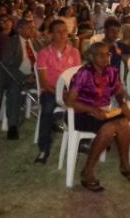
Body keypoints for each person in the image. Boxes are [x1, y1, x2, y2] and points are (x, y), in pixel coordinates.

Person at [66, 42, 130, 190]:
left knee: (123, 124)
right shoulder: (84, 73)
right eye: (100, 55)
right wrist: (92, 110)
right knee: (109, 129)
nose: (105, 58)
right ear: (91, 57)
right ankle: (87, 171)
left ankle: (124, 164)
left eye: (107, 54)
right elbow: (70, 101)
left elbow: (118, 91)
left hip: (103, 112)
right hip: (81, 113)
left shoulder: (111, 71)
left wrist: (122, 103)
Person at [34, 19, 81, 164]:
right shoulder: (44, 53)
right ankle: (44, 148)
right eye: (58, 32)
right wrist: (60, 93)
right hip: (51, 91)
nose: (62, 34)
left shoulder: (74, 52)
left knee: (87, 103)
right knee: (47, 108)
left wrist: (72, 92)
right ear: (51, 35)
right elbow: (44, 83)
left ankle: (83, 140)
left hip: (69, 91)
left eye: (64, 31)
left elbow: (78, 77)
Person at [0, 19, 42, 140]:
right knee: (14, 90)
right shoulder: (11, 42)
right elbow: (6, 65)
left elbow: (44, 61)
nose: (32, 30)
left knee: (52, 87)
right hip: (16, 77)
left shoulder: (36, 42)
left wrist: (38, 75)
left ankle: (52, 120)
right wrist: (25, 77)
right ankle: (12, 126)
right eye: (29, 28)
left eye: (33, 28)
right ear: (19, 29)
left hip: (36, 77)